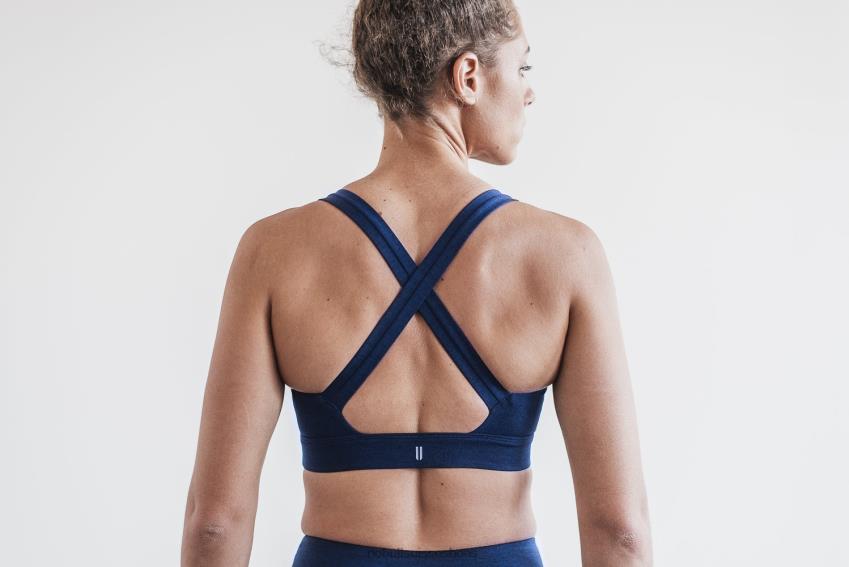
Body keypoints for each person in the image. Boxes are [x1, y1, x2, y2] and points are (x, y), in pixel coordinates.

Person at [181, 1, 653, 565]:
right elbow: (619, 531)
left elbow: (215, 523)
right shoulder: (566, 255)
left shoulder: (273, 252)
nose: (529, 92)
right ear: (469, 76)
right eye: (522, 67)